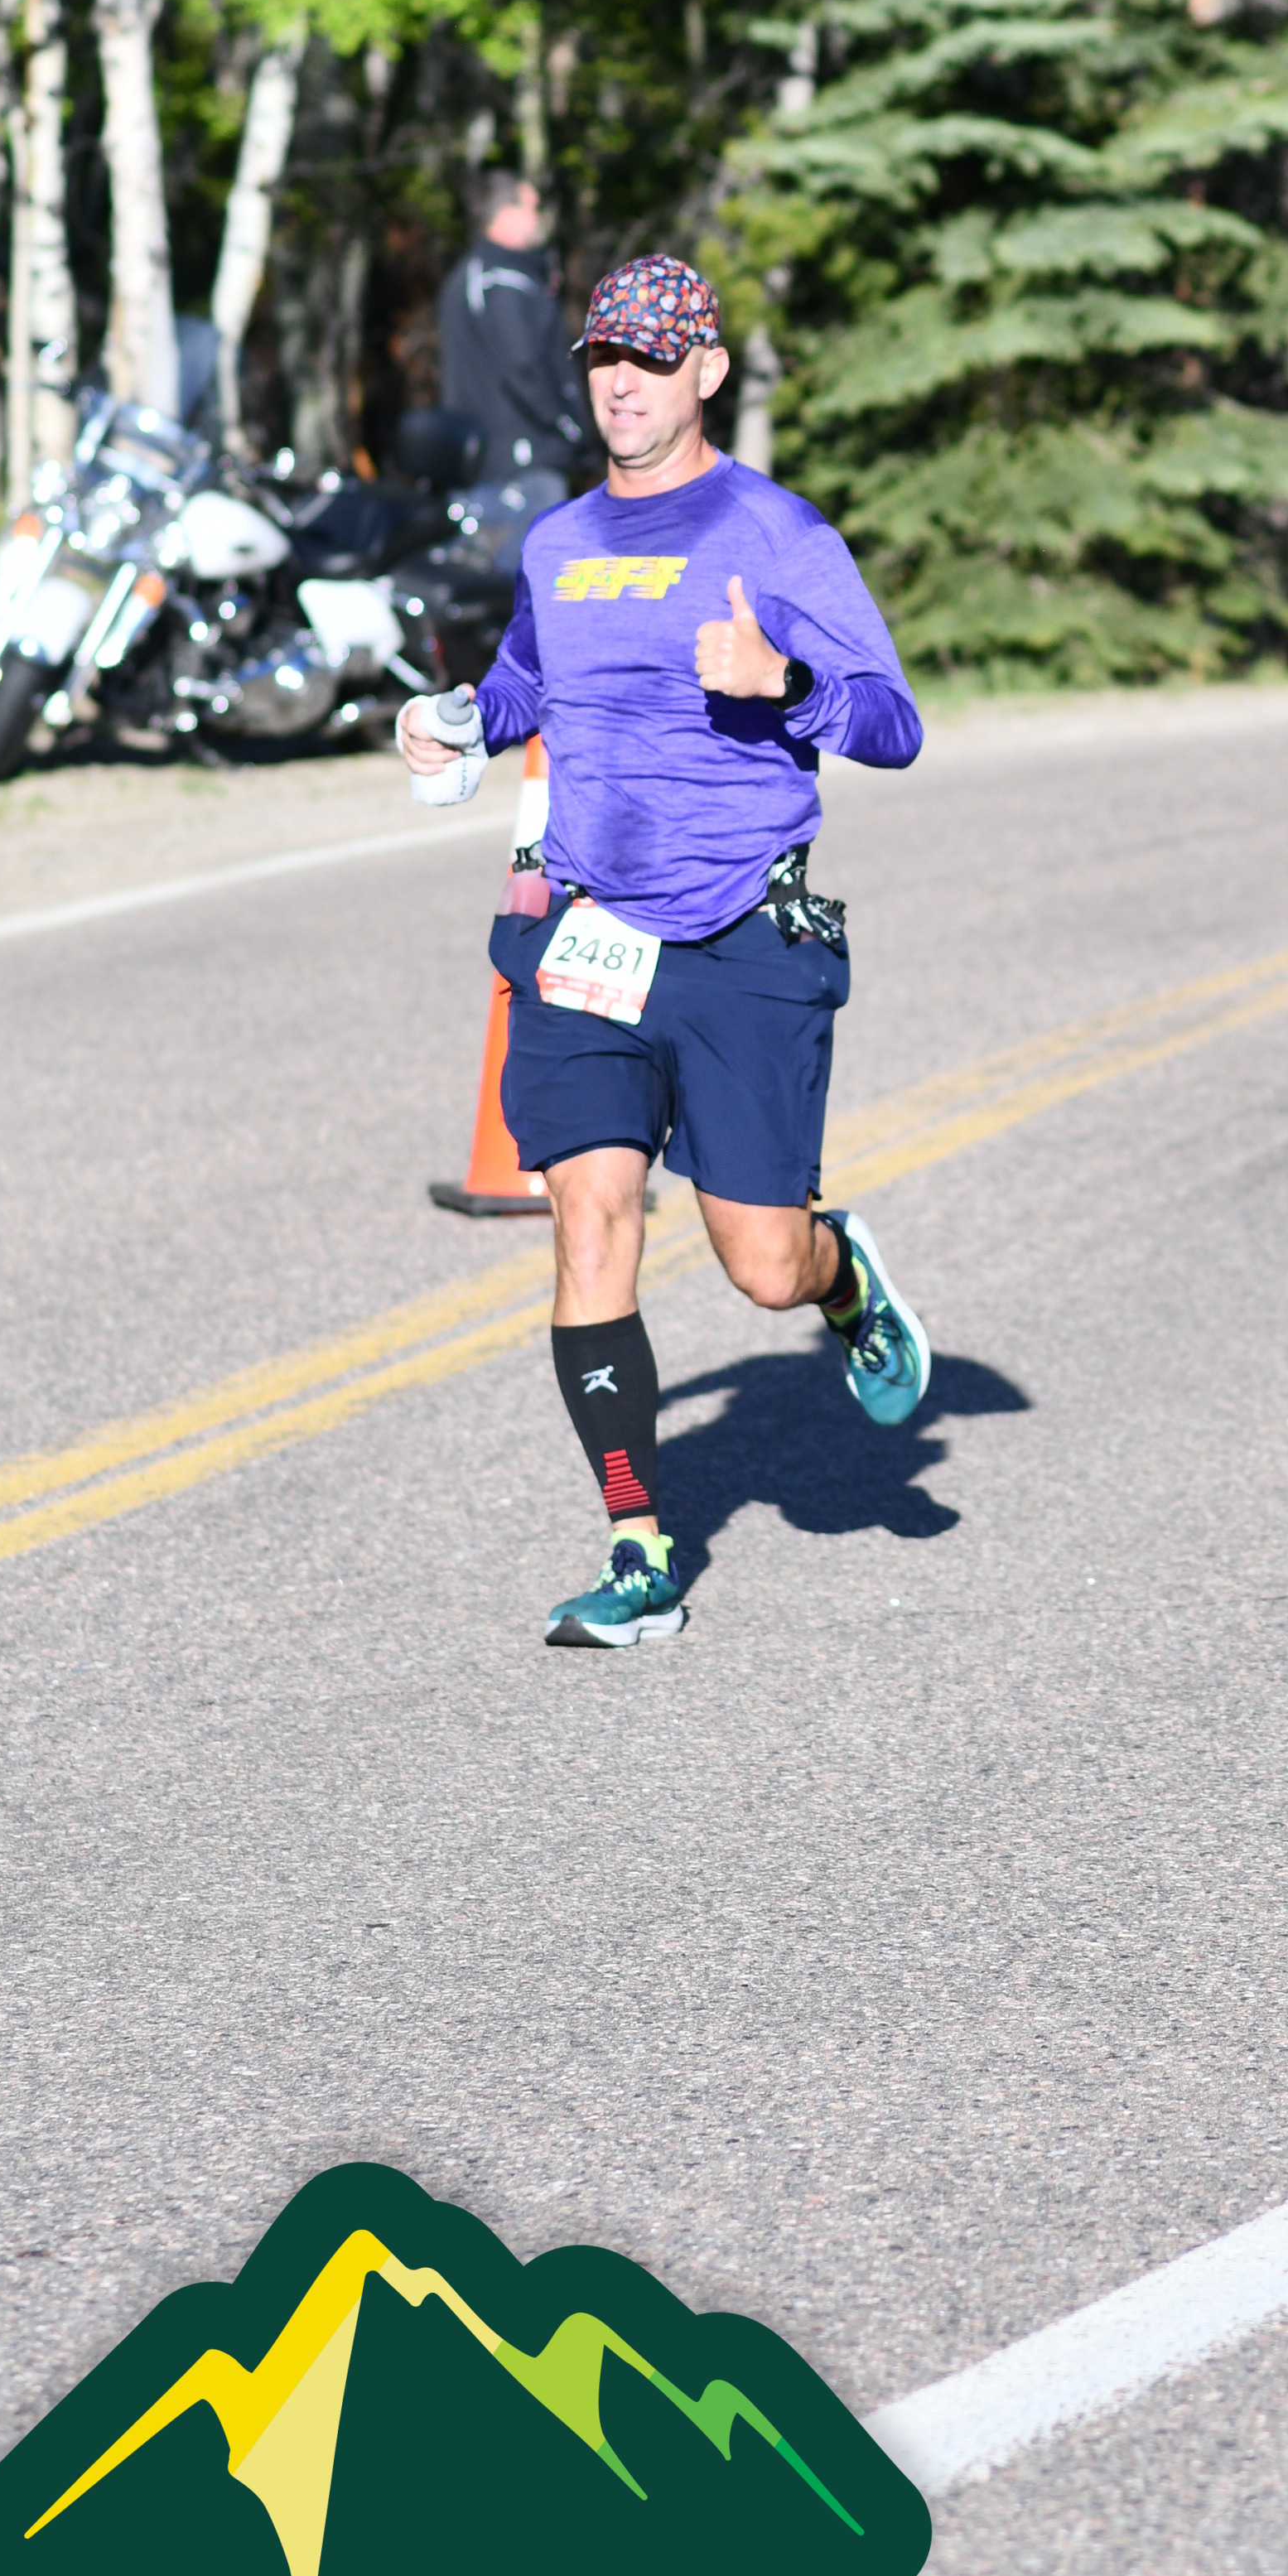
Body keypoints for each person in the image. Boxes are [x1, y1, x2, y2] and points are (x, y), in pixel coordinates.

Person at [398, 250, 934, 1648]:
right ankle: (638, 1547)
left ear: (707, 370)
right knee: (590, 1223)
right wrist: (458, 720)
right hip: (589, 931)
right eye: (603, 358)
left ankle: (840, 1275)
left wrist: (785, 684)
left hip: (742, 932)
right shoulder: (558, 542)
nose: (622, 382)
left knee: (761, 1265)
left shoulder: (778, 534)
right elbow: (527, 679)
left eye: (649, 357)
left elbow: (893, 722)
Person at [437, 169, 582, 499]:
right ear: (506, 214)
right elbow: (524, 366)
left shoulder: (470, 276)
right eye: (532, 207)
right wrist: (566, 425)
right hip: (520, 467)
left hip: (485, 464)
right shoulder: (502, 282)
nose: (538, 218)